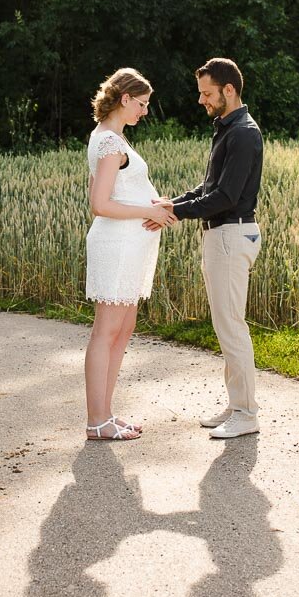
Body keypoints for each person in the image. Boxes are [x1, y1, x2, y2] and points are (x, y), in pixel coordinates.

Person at [150, 58, 264, 439]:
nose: (202, 100)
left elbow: (227, 196)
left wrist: (176, 214)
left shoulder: (244, 133)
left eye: (207, 93)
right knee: (225, 324)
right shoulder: (227, 130)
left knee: (232, 325)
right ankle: (236, 406)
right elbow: (207, 188)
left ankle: (247, 413)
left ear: (228, 90)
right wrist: (173, 204)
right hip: (222, 236)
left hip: (232, 234)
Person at [83, 68, 178, 441]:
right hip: (117, 246)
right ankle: (96, 421)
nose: (144, 111)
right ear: (125, 99)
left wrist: (153, 204)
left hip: (129, 245)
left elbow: (118, 193)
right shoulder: (109, 143)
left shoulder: (112, 139)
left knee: (122, 330)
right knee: (106, 331)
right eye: (141, 104)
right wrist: (148, 211)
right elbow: (100, 203)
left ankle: (106, 414)